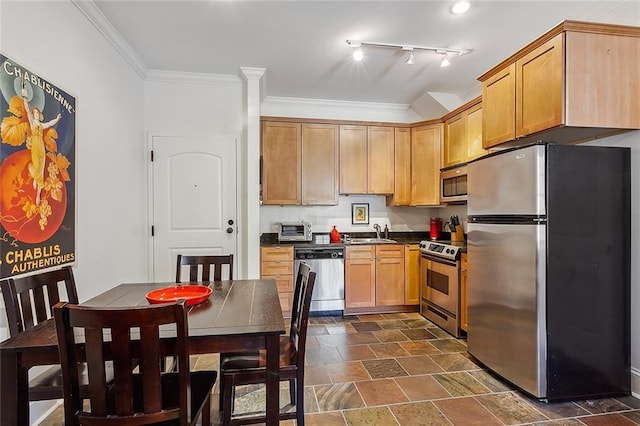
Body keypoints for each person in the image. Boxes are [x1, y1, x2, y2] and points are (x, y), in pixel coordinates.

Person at [21, 82, 61, 205]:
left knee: (41, 171)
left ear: (39, 115)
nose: (36, 115)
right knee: (36, 168)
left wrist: (57, 118)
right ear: (33, 115)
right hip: (35, 149)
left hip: (42, 151)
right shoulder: (33, 123)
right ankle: (35, 178)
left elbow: (50, 123)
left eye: (37, 113)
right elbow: (27, 110)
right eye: (34, 114)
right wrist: (24, 97)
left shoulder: (42, 125)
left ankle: (38, 194)